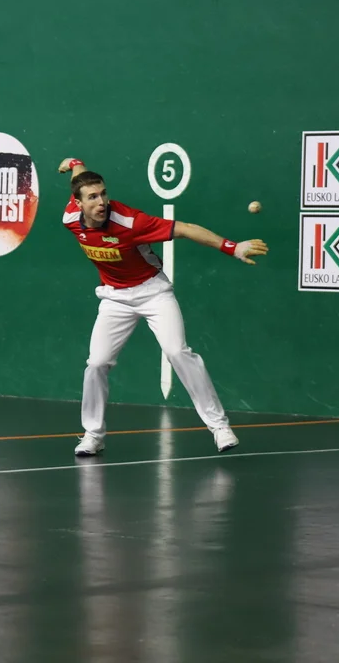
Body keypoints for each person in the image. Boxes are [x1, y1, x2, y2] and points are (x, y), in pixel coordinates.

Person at [57, 157, 268, 456]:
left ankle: (219, 427)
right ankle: (93, 435)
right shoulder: (70, 218)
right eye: (92, 197)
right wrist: (75, 164)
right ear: (78, 203)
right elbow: (79, 180)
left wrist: (232, 247)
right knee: (96, 363)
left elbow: (185, 229)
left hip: (153, 292)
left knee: (177, 352)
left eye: (103, 193)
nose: (101, 201)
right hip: (114, 298)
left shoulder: (131, 222)